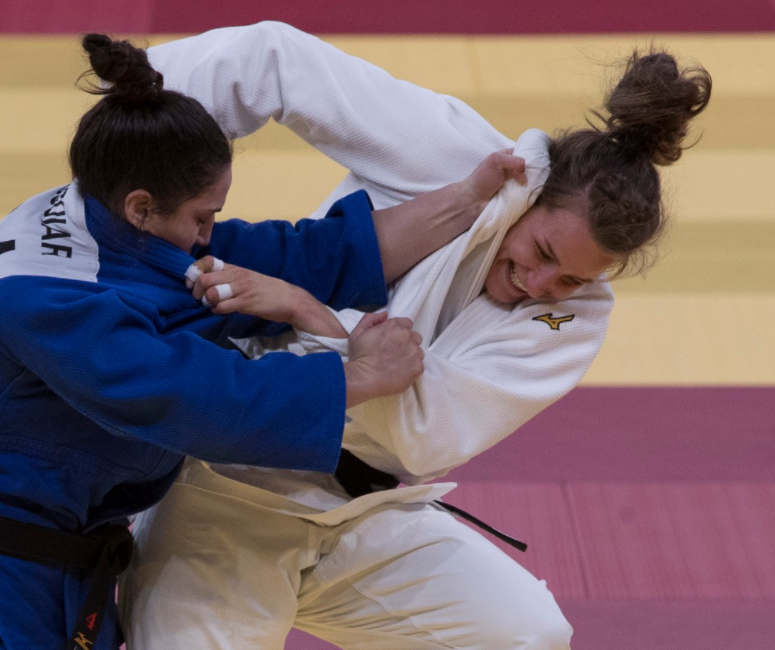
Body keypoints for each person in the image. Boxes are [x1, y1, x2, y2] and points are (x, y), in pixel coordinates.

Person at [0, 33, 525, 650]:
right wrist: (361, 373)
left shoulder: (104, 226)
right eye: (201, 217)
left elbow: (298, 255)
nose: (209, 234)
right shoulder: (47, 302)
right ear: (142, 206)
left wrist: (467, 202)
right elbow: (199, 401)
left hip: (48, 563)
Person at [121, 22, 712, 650]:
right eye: (540, 250)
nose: (539, 283)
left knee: (526, 635)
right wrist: (131, 127)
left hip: (359, 512)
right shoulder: (454, 157)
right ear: (532, 193)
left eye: (569, 278)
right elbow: (274, 60)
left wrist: (310, 313)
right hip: (233, 481)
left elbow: (429, 436)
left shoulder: (574, 320)